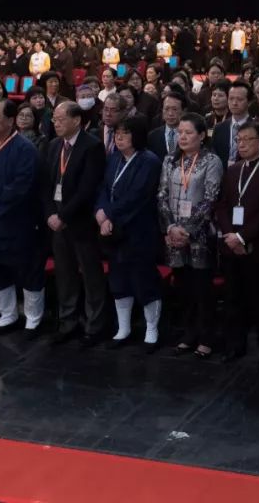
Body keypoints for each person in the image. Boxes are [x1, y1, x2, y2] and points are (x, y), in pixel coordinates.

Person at [214, 121, 259, 370]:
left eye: (247, 139)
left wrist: (243, 237)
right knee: (233, 298)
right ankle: (235, 345)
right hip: (231, 245)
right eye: (239, 140)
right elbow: (222, 205)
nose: (241, 144)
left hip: (256, 246)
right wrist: (229, 234)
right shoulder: (233, 170)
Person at [0, 100, 45, 339]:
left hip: (17, 220)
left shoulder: (25, 149)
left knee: (27, 270)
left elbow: (22, 187)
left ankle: (33, 319)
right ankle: (7, 314)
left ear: (10, 120)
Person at [40, 101, 109, 346]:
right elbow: (46, 184)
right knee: (65, 274)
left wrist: (64, 216)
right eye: (54, 119)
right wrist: (50, 213)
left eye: (60, 119)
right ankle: (67, 322)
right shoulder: (53, 145)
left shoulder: (91, 146)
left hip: (79, 221)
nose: (55, 123)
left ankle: (94, 325)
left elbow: (87, 188)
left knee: (90, 274)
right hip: (56, 221)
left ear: (76, 120)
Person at [157, 112, 223, 359]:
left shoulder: (211, 161)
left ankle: (206, 336)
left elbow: (210, 199)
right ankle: (188, 333)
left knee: (201, 289)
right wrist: (171, 228)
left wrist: (189, 230)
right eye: (180, 133)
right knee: (182, 287)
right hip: (174, 235)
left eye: (188, 132)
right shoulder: (170, 161)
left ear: (202, 135)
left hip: (200, 236)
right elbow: (161, 195)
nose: (182, 137)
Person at [95, 116, 164, 351]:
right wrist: (100, 212)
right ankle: (123, 329)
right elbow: (104, 188)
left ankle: (151, 329)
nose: (119, 137)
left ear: (137, 135)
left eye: (125, 133)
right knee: (118, 279)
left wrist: (109, 216)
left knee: (143, 279)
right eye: (116, 133)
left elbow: (137, 196)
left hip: (138, 228)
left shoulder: (149, 161)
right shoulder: (114, 158)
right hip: (113, 229)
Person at [213, 80, 253, 169]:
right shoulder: (219, 128)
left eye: (239, 99)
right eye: (231, 99)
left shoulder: (256, 128)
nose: (234, 103)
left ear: (249, 102)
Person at [148, 90, 185, 160]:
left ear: (183, 111)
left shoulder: (189, 136)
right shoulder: (152, 136)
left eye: (175, 109)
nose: (170, 113)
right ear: (162, 110)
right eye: (166, 109)